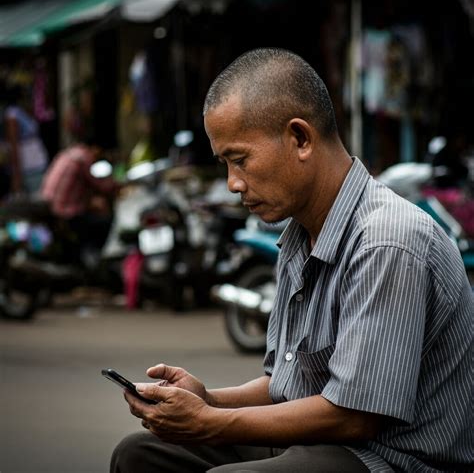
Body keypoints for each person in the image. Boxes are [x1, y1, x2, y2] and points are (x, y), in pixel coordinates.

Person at [111, 48, 473, 472]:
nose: (232, 183)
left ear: (300, 138)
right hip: (321, 443)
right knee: (140, 456)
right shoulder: (300, 236)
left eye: (240, 159)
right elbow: (286, 387)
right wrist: (206, 400)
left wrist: (210, 423)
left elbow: (355, 416)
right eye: (225, 163)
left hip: (390, 459)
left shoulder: (386, 242)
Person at [40, 138, 121, 252]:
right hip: (65, 212)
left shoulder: (68, 154)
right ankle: (94, 255)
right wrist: (119, 186)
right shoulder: (84, 158)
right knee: (105, 222)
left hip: (50, 206)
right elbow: (101, 185)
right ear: (96, 149)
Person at [3, 84, 48, 194]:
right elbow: (14, 146)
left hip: (36, 164)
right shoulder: (12, 114)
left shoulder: (23, 112)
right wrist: (16, 175)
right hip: (28, 167)